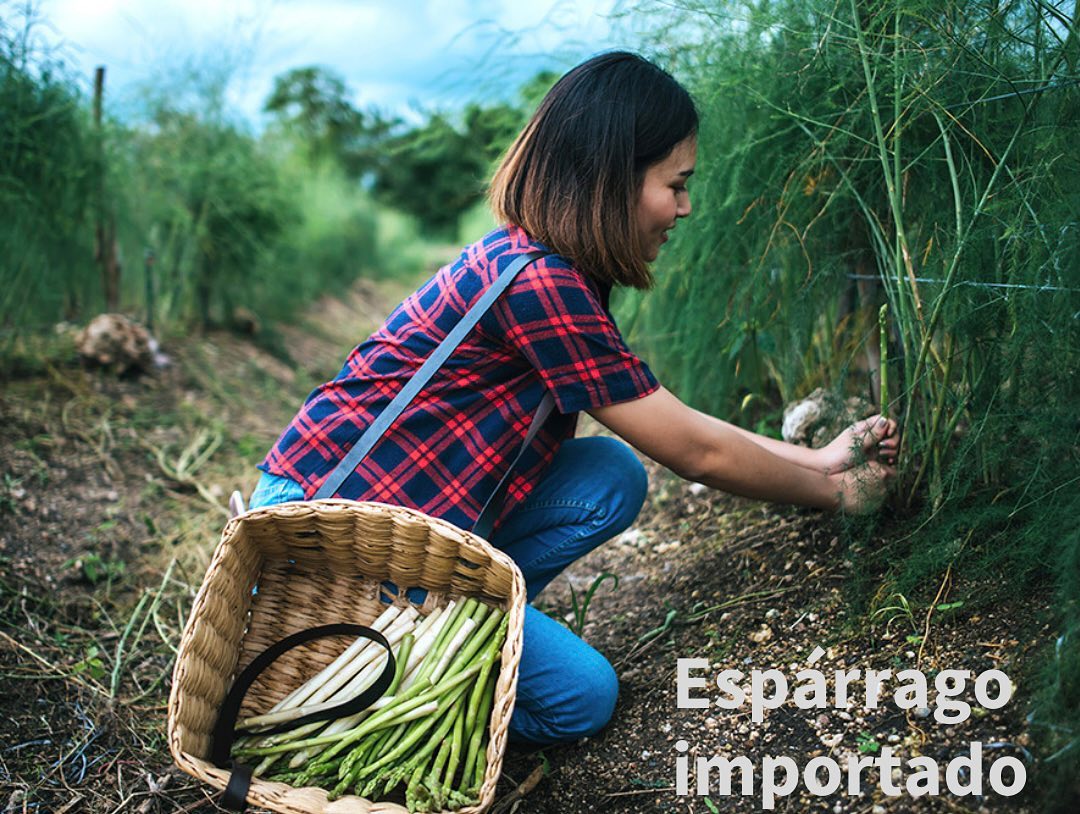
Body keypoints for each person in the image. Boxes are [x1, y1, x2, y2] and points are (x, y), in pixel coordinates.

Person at [250, 51, 898, 746]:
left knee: (609, 475)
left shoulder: (542, 264)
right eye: (675, 184)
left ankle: (451, 628)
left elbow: (669, 416)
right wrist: (836, 495)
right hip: (329, 541)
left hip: (398, 520)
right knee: (581, 698)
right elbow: (698, 452)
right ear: (611, 177)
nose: (685, 207)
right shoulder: (538, 285)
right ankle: (403, 681)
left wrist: (821, 459)